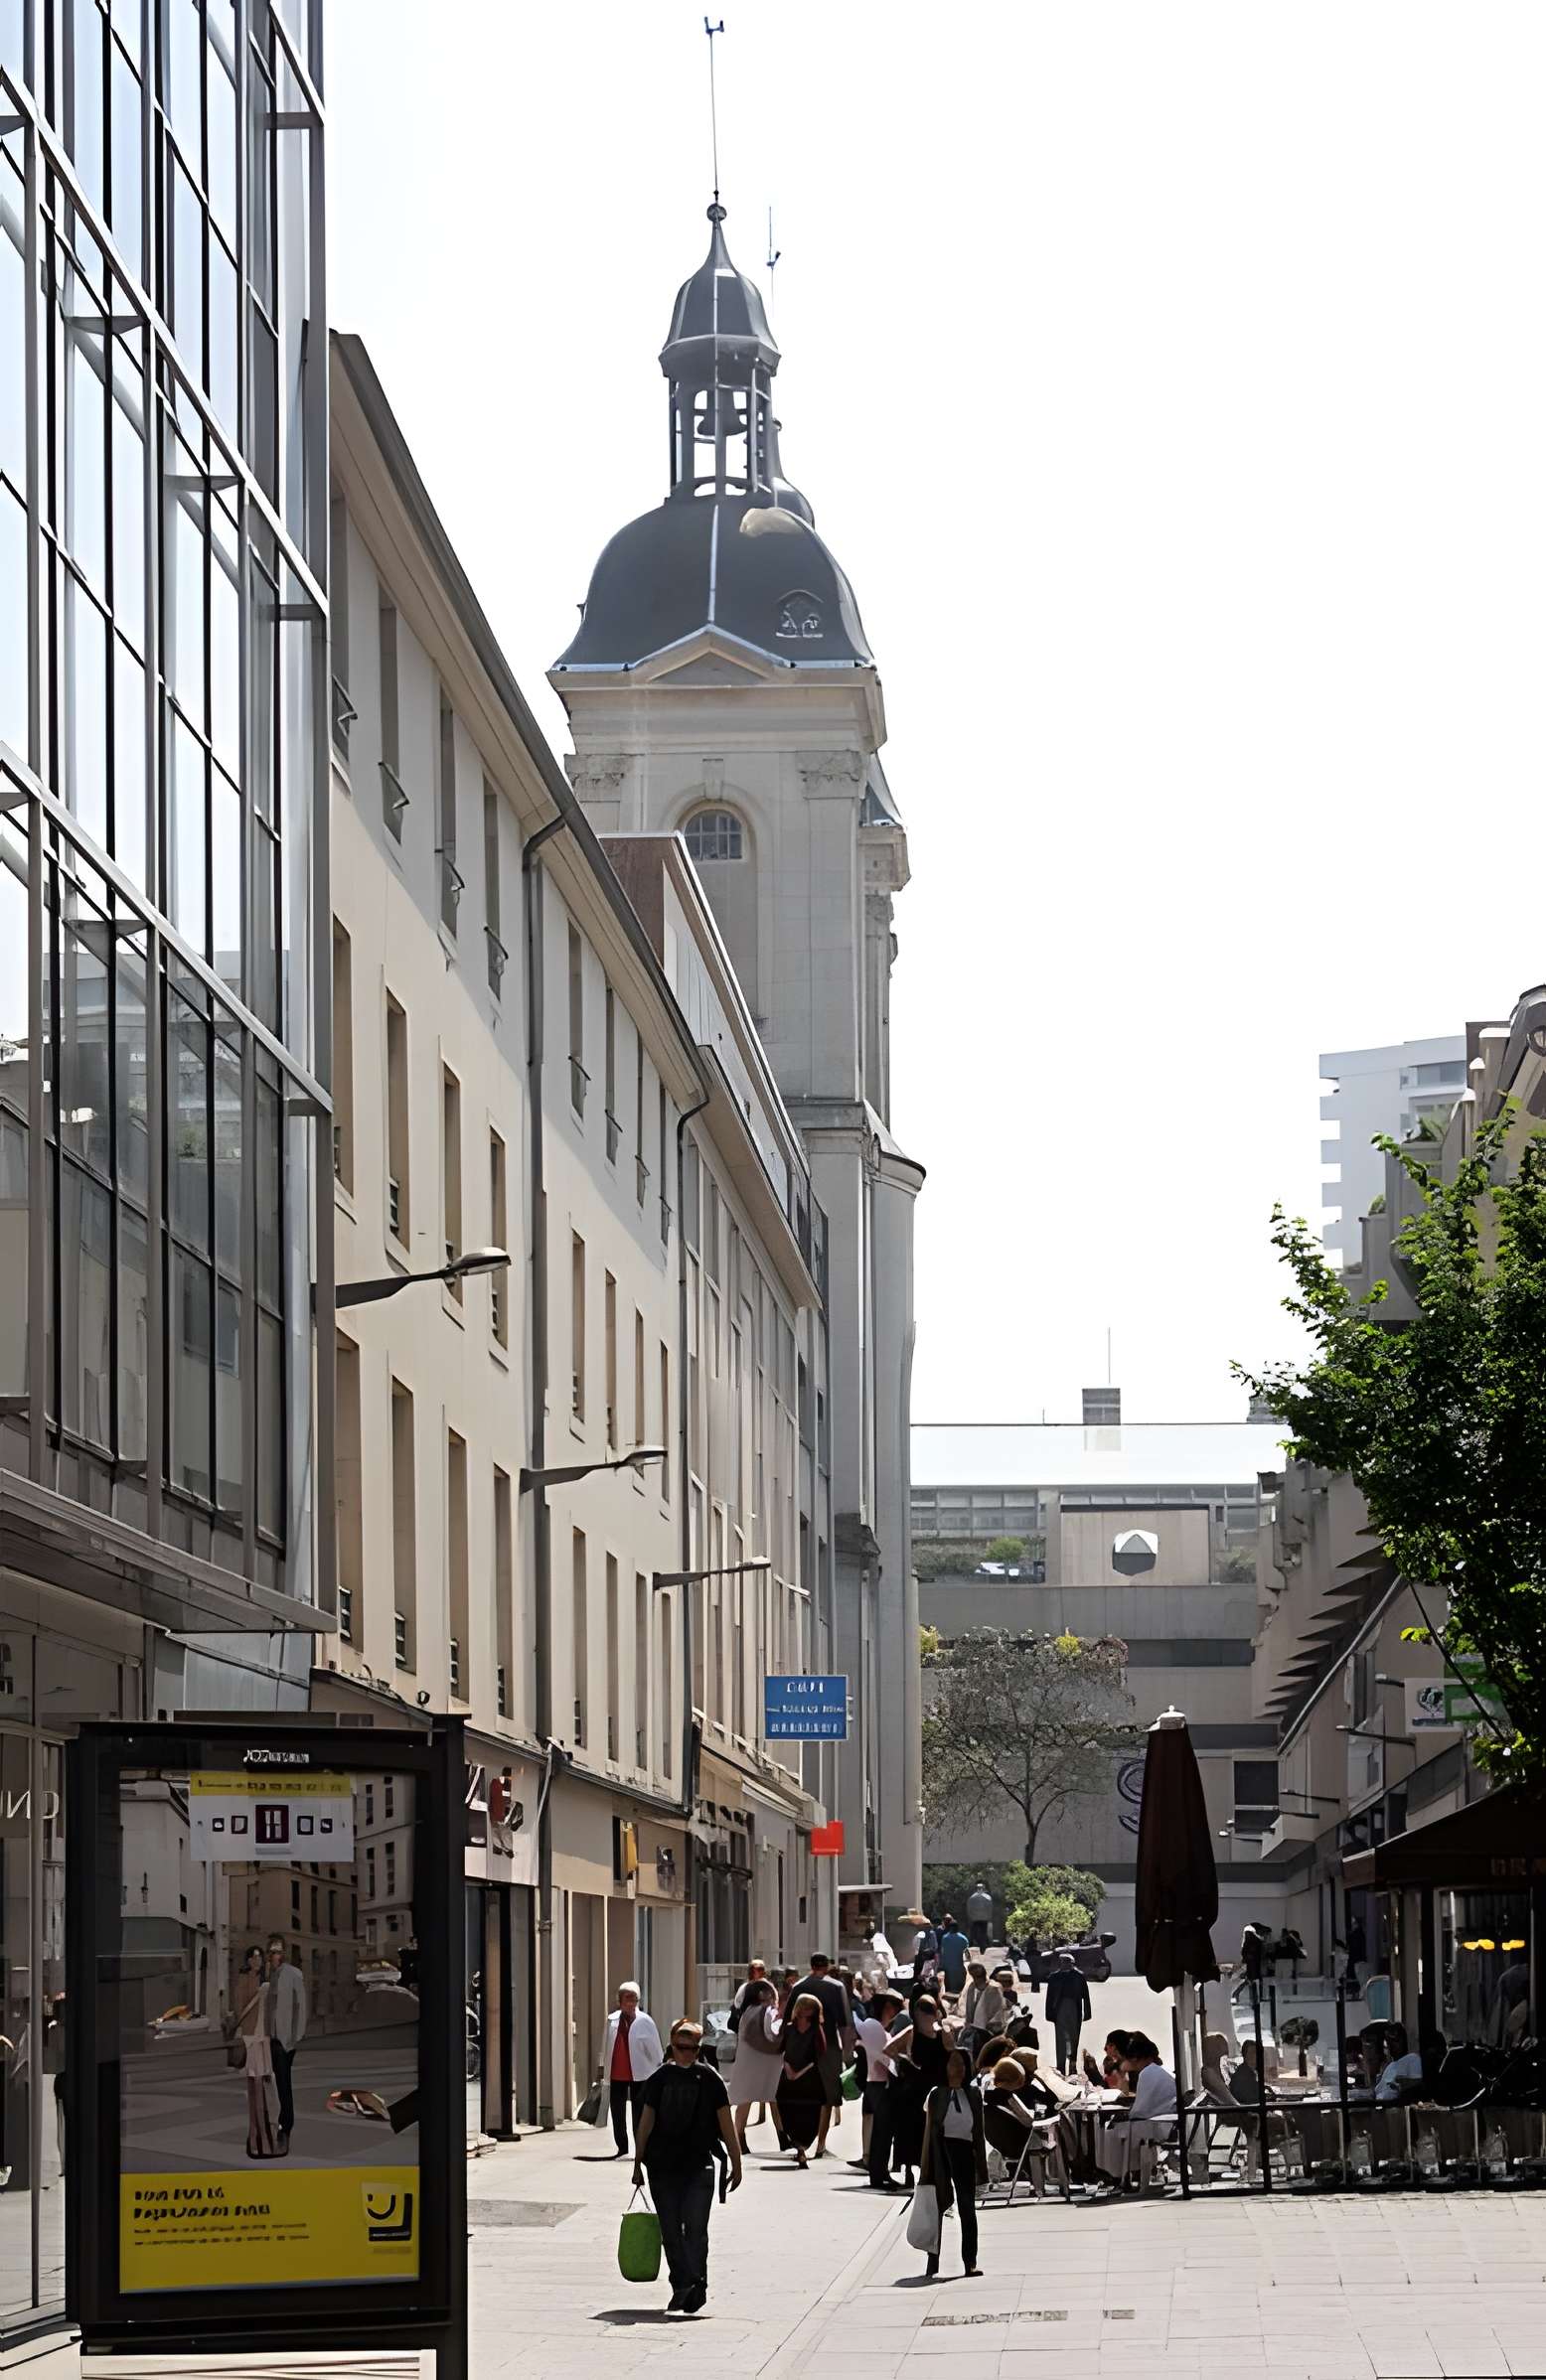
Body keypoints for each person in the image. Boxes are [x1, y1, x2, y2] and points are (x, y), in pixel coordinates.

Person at [633, 2017, 741, 2314]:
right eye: (682, 2048)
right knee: (670, 2230)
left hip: (698, 2166)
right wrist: (637, 2163)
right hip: (662, 2166)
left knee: (695, 2229)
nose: (687, 2054)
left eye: (693, 2049)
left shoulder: (710, 2080)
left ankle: (697, 2283)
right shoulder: (659, 2079)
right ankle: (680, 2284)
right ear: (672, 2046)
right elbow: (645, 2123)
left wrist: (737, 2161)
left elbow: (726, 2124)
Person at [918, 2046, 987, 2280]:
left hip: (964, 2152)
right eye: (952, 2063)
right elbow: (930, 2130)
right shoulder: (937, 2094)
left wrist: (981, 2167)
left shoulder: (974, 2094)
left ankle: (970, 2261)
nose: (957, 2069)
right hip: (941, 2151)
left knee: (967, 2207)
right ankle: (932, 2261)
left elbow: (978, 2131)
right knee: (938, 2205)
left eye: (961, 2064)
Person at [789, 1954, 850, 2157]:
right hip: (829, 2045)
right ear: (827, 1966)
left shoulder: (798, 1986)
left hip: (801, 2047)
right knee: (827, 2096)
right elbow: (844, 2022)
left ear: (811, 1965)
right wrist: (848, 2055)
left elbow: (787, 2018)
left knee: (801, 2094)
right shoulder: (836, 1987)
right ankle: (821, 2143)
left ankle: (800, 2143)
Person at [1096, 2033, 1175, 2187]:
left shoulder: (1147, 2074)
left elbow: (1140, 2111)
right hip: (1162, 2120)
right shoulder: (1155, 2071)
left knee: (1109, 2132)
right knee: (1117, 2127)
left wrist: (1127, 2114)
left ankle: (1118, 2175)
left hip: (1157, 2124)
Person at [890, 1992, 949, 2190]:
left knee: (929, 2130)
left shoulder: (941, 2032)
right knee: (911, 2130)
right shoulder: (912, 2031)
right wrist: (905, 2062)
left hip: (933, 2087)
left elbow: (952, 2053)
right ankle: (909, 2170)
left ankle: (927, 2170)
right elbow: (889, 2049)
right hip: (917, 2087)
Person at [601, 1982, 663, 2157]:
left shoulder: (645, 2021)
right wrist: (601, 2068)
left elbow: (655, 2048)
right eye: (626, 1999)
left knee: (640, 2112)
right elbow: (605, 2046)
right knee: (617, 2113)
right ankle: (622, 2147)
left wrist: (659, 2069)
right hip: (617, 2073)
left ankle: (641, 2147)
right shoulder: (612, 2020)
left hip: (640, 2074)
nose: (630, 2003)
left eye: (634, 1999)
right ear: (619, 2001)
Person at [724, 1978, 785, 2153]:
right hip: (768, 2063)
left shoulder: (747, 2012)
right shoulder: (766, 2012)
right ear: (763, 1994)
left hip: (747, 2061)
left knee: (745, 2100)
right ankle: (783, 2137)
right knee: (774, 2099)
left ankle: (739, 2138)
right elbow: (771, 2034)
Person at [854, 1986, 906, 2190]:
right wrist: (899, 2065)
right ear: (887, 2007)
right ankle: (879, 2174)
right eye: (894, 2008)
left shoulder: (874, 2027)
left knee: (882, 2133)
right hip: (879, 2084)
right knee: (882, 2133)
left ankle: (880, 2173)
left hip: (877, 2083)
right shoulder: (874, 2027)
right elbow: (883, 2056)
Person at [235, 1945, 281, 2159]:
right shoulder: (244, 1979)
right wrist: (259, 1991)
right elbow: (240, 2007)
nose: (257, 1961)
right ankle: (259, 2137)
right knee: (255, 2087)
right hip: (251, 2036)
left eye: (259, 1957)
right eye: (253, 1957)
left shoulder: (266, 1978)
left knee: (261, 2086)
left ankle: (259, 2136)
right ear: (247, 1960)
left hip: (264, 2036)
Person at [775, 1993, 828, 2168]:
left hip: (809, 2077)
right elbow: (780, 2049)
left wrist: (801, 2072)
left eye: (810, 2008)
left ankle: (802, 2149)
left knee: (809, 2113)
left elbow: (821, 2053)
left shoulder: (816, 2029)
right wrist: (789, 2069)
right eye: (804, 2007)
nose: (806, 2011)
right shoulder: (789, 2028)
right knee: (788, 2110)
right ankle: (798, 2148)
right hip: (789, 2078)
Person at [265, 1935, 306, 2144]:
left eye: (278, 1951)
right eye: (271, 1952)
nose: (274, 1955)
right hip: (271, 2038)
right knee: (276, 2084)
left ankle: (286, 2125)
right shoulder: (272, 1976)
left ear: (284, 1953)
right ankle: (279, 2121)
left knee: (284, 2084)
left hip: (284, 2041)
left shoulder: (293, 1974)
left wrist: (293, 2039)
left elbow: (301, 2007)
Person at [1045, 1950, 1092, 2076]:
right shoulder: (1054, 1977)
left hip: (1074, 2009)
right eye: (1063, 1962)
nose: (1065, 1964)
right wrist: (1049, 2013)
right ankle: (1060, 2066)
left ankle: (1072, 2063)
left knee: (1074, 2037)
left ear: (1072, 1963)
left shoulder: (1079, 1976)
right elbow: (1049, 1997)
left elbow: (1085, 1996)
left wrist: (1087, 2012)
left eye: (1067, 1962)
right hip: (1059, 2009)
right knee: (1060, 2038)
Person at [958, 1963, 1007, 2051]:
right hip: (975, 2029)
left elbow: (998, 2013)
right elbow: (969, 2011)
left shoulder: (994, 1988)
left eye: (977, 1977)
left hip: (990, 2031)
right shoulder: (972, 1987)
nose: (975, 1980)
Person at [1372, 2021, 1426, 2102]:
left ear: (1403, 2040)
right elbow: (1377, 2091)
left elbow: (1417, 2086)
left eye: (1395, 2040)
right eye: (1388, 2041)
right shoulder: (1390, 2066)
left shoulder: (1413, 2059)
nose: (1391, 2044)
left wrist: (1399, 2085)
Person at [938, 1914, 971, 2000]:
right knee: (960, 1992)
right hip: (960, 1969)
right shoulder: (963, 1939)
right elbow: (967, 1956)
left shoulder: (945, 1938)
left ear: (949, 1928)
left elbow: (942, 1952)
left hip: (948, 1969)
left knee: (949, 1992)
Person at [967, 1880, 995, 1952]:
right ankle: (984, 1946)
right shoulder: (988, 1898)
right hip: (984, 1919)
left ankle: (972, 1944)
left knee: (974, 1932)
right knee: (983, 1933)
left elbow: (969, 1909)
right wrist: (989, 1917)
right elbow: (990, 1909)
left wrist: (970, 1917)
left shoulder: (971, 1898)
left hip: (975, 1919)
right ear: (984, 1889)